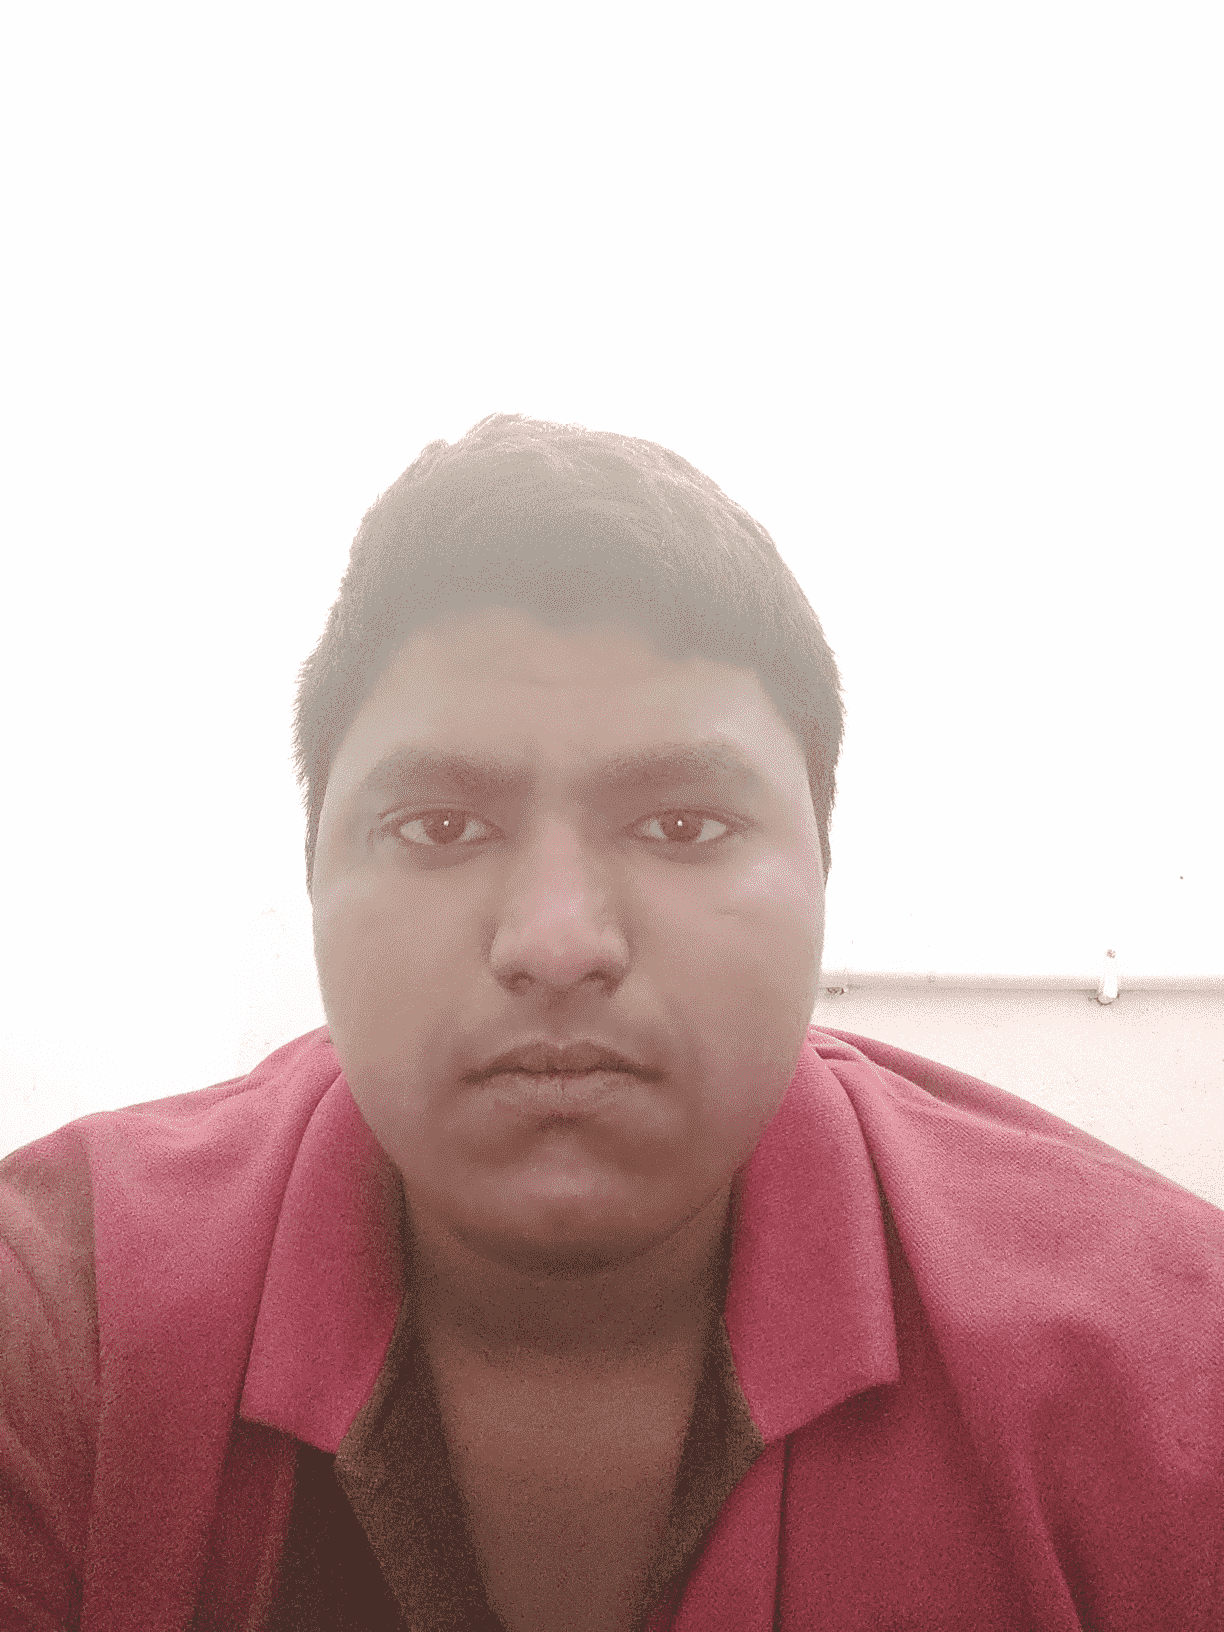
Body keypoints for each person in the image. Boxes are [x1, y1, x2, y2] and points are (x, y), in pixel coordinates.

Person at [2, 414, 1221, 1632]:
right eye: (440, 826)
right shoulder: (60, 1321)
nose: (556, 944)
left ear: (823, 872)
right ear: (314, 875)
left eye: (682, 826)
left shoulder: (1173, 1369)